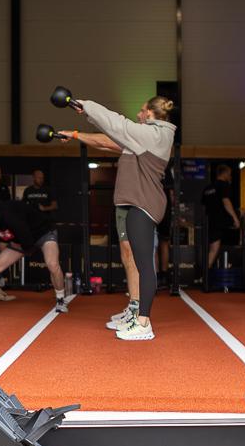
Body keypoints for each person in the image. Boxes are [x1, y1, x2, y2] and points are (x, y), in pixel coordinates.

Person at [48, 94, 177, 341]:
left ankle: (143, 322)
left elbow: (116, 123)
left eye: (142, 111)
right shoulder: (145, 136)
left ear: (151, 114)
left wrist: (86, 106)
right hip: (136, 203)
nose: (138, 115)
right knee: (136, 260)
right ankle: (139, 316)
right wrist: (77, 132)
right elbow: (109, 138)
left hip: (144, 204)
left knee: (144, 265)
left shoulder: (153, 135)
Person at [199, 164, 242, 279]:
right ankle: (204, 276)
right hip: (220, 222)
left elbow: (203, 206)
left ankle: (207, 275)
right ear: (225, 173)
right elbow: (226, 202)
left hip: (209, 222)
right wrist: (235, 218)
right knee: (214, 249)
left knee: (213, 248)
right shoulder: (223, 185)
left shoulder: (208, 188)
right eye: (229, 174)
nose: (230, 177)